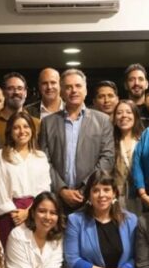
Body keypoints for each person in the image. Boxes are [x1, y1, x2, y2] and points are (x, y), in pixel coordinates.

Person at [39, 69, 116, 211]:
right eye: (68, 87)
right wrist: (61, 190)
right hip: (57, 201)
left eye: (78, 86)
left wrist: (85, 189)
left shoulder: (103, 120)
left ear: (86, 90)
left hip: (91, 199)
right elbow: (43, 160)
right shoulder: (47, 123)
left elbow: (107, 158)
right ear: (61, 92)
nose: (73, 90)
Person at [0, 110, 52, 249]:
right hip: (10, 215)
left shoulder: (40, 156)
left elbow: (45, 188)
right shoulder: (1, 155)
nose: (21, 131)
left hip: (36, 213)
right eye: (16, 127)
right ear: (10, 131)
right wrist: (16, 213)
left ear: (32, 129)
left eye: (26, 126)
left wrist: (29, 212)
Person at [0, 73, 39, 144]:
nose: (16, 92)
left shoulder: (37, 124)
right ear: (3, 93)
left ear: (25, 92)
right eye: (11, 88)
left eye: (20, 88)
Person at [112, 99, 145, 213]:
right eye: (119, 112)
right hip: (117, 198)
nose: (124, 115)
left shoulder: (145, 140)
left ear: (135, 116)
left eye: (128, 112)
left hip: (141, 197)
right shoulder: (110, 141)